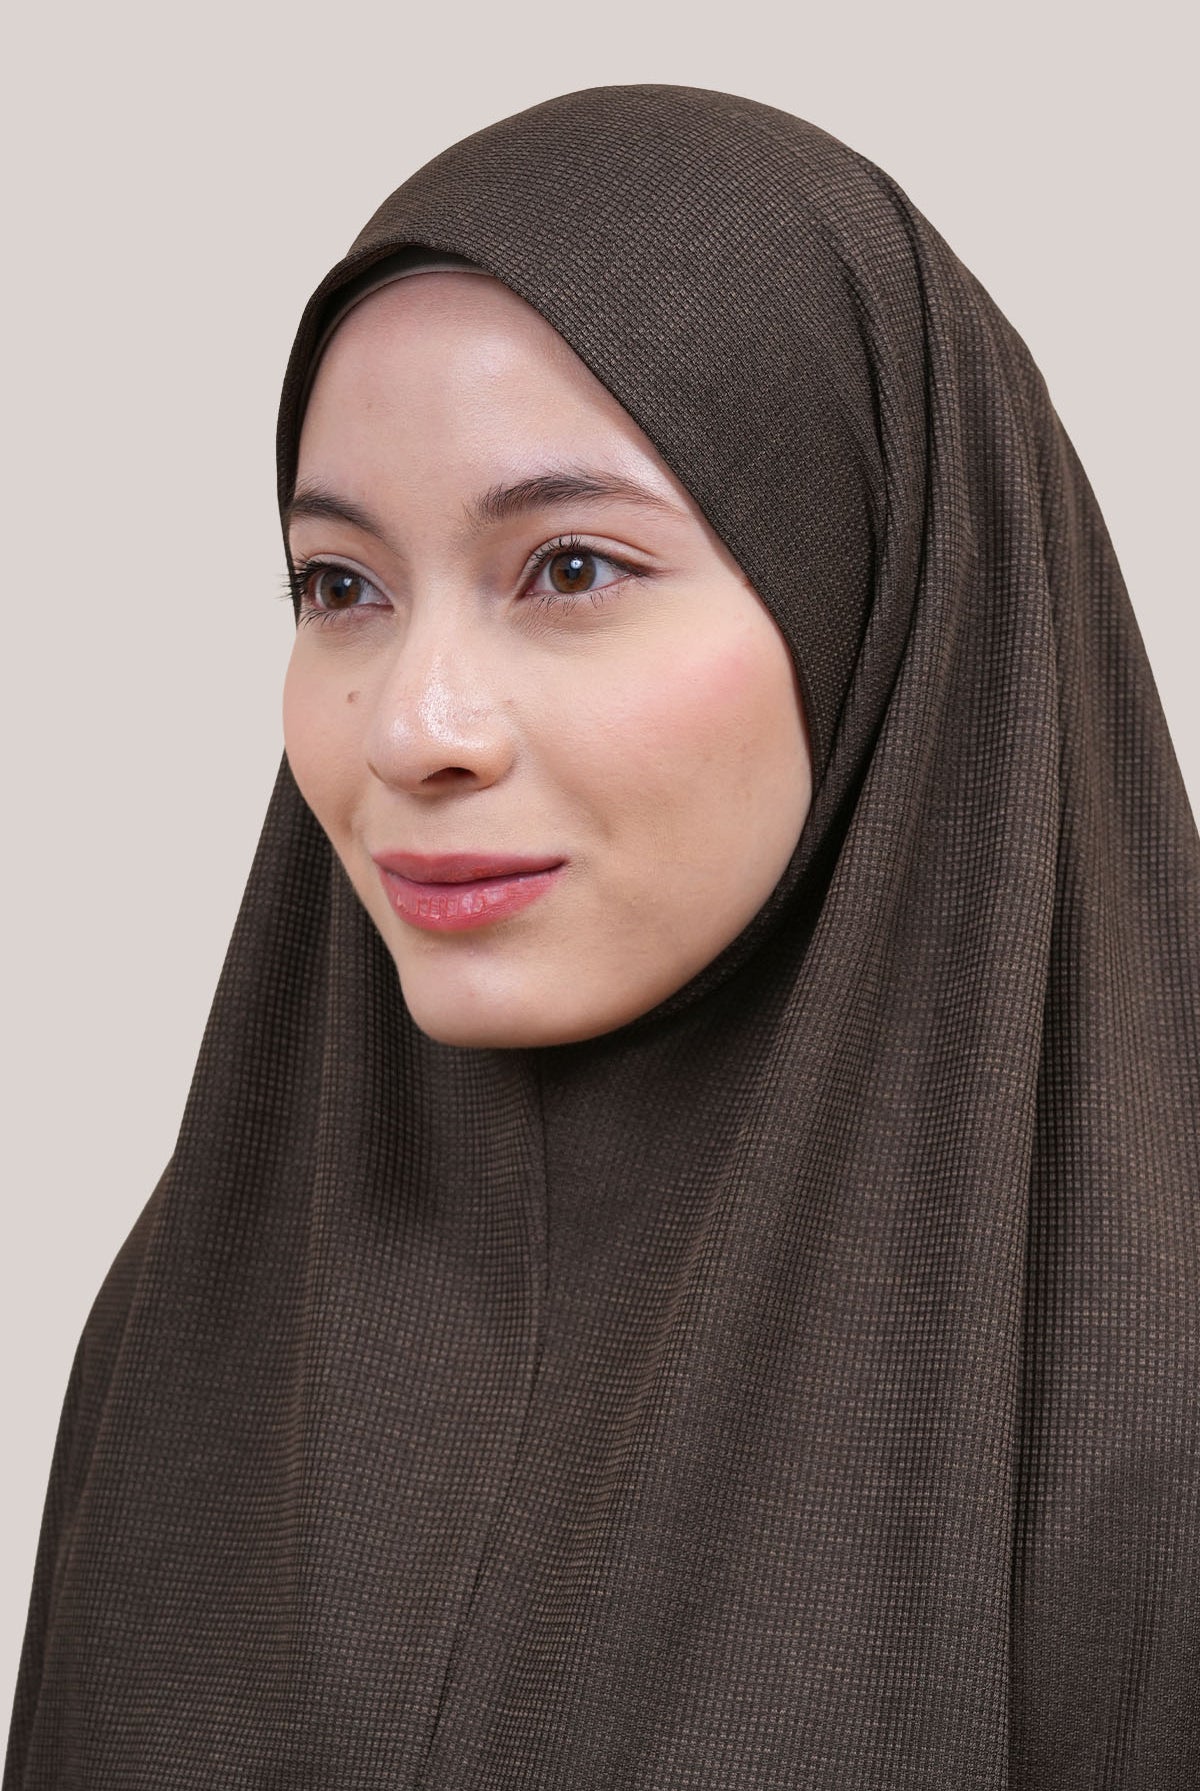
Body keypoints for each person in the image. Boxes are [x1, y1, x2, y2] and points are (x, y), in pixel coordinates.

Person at [5, 83, 1198, 1789]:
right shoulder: (196, 1316)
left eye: (570, 568)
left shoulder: (1145, 1395)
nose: (413, 727)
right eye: (342, 587)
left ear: (875, 589)